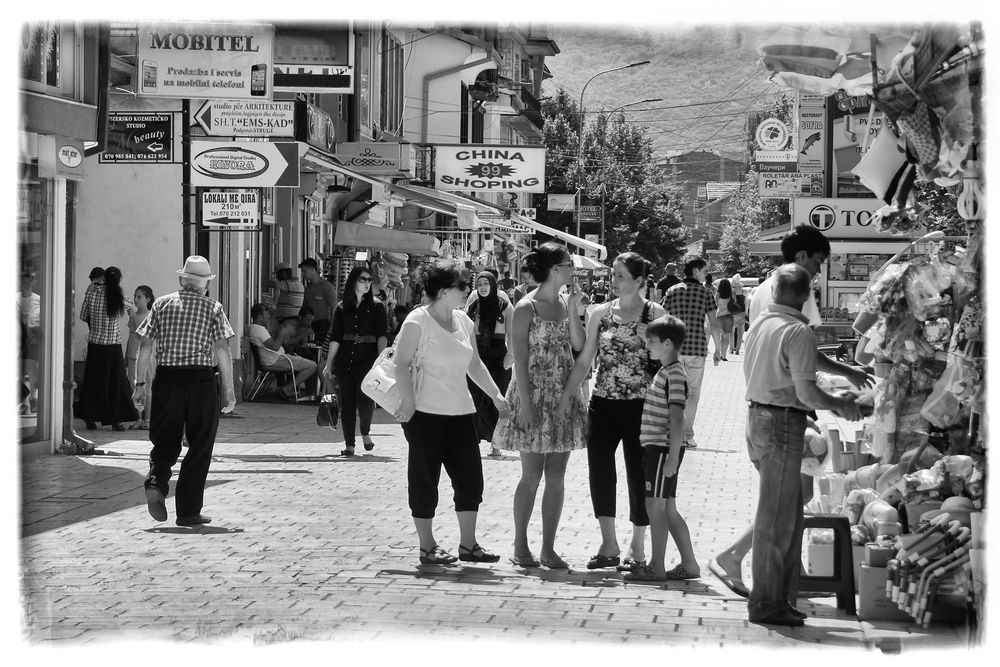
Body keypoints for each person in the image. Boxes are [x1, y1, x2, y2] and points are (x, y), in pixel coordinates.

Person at [710, 225, 875, 598]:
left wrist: (844, 371)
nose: (818, 272)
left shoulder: (769, 295)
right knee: (784, 505)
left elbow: (796, 352)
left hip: (765, 410)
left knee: (785, 503)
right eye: (817, 262)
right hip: (783, 413)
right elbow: (801, 356)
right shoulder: (795, 293)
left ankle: (787, 577)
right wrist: (838, 402)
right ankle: (755, 578)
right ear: (802, 259)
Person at [742, 264, 864, 626]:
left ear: (775, 290)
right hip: (779, 424)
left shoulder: (763, 322)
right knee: (777, 520)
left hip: (759, 419)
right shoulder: (797, 331)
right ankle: (765, 602)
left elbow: (790, 375)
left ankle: (776, 598)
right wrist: (842, 403)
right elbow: (806, 391)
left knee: (781, 515)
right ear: (808, 295)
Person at [394, 262, 510, 565]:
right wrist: (407, 402)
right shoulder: (417, 321)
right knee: (424, 480)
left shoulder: (463, 321)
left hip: (461, 413)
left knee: (470, 479)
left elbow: (474, 364)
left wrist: (496, 395)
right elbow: (401, 363)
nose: (468, 291)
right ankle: (428, 546)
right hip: (424, 415)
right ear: (444, 291)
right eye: (462, 286)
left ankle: (468, 544)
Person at [557, 252, 665, 570]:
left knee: (638, 474)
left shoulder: (654, 312)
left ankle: (637, 547)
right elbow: (584, 357)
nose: (613, 280)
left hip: (641, 406)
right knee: (601, 472)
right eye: (613, 275)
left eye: (620, 275)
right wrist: (566, 396)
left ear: (639, 281)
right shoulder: (600, 313)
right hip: (603, 404)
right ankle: (608, 543)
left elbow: (669, 359)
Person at [493, 243, 587, 568]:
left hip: (562, 396)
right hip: (531, 394)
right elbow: (518, 360)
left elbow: (578, 345)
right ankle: (520, 546)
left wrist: (573, 307)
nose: (573, 269)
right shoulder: (524, 307)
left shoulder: (564, 302)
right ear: (555, 269)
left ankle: (548, 548)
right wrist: (526, 404)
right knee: (531, 475)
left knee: (557, 477)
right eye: (569, 264)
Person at [134, 255, 236, 526]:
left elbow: (145, 347)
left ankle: (156, 479)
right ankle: (188, 511)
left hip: (167, 379)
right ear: (205, 284)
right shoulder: (213, 307)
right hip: (201, 382)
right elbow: (222, 350)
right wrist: (228, 389)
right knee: (200, 444)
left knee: (165, 439)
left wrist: (140, 385)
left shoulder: (161, 304)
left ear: (182, 280)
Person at [625, 315, 699, 582]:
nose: (648, 346)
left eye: (652, 342)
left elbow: (677, 416)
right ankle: (689, 564)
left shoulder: (675, 374)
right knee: (667, 508)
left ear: (668, 344)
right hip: (662, 451)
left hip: (661, 450)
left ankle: (656, 567)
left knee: (653, 506)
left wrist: (672, 456)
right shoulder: (667, 371)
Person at [321, 266, 389, 456]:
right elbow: (336, 337)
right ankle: (349, 444)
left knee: (365, 399)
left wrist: (381, 360)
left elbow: (382, 335)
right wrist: (329, 364)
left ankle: (365, 432)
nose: (367, 283)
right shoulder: (342, 307)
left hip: (368, 359)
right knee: (348, 403)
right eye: (363, 280)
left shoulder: (377, 306)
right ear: (353, 282)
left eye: (369, 280)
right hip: (345, 359)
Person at [661, 256, 723, 449]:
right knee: (693, 393)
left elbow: (663, 317)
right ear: (695, 271)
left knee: (673, 391)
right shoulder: (705, 294)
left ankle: (672, 433)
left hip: (674, 350)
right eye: (704, 270)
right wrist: (718, 349)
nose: (706, 274)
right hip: (697, 349)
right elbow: (713, 323)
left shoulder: (672, 291)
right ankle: (687, 435)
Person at [76, 265, 139, 431]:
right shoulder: (119, 296)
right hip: (113, 345)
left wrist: (89, 291)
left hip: (95, 345)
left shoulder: (91, 294)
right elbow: (132, 308)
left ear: (103, 279)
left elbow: (83, 316)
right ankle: (115, 421)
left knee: (93, 382)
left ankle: (90, 419)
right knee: (116, 383)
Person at [466, 271, 515, 458]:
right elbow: (463, 332)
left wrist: (511, 355)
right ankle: (472, 441)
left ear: (493, 285)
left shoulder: (505, 306)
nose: (483, 287)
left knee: (497, 399)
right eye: (479, 284)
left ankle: (496, 443)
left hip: (498, 360)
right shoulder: (472, 308)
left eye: (486, 283)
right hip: (476, 359)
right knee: (475, 399)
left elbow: (512, 333)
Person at [249, 303, 318, 401]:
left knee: (309, 363)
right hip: (275, 360)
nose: (268, 317)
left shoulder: (256, 328)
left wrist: (280, 336)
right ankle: (287, 389)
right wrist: (282, 333)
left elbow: (271, 343)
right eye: (267, 314)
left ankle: (289, 389)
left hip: (277, 358)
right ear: (260, 316)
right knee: (313, 366)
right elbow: (275, 347)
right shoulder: (258, 329)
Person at [126, 285, 155, 429]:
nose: (136, 300)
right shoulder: (134, 315)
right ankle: (138, 418)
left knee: (147, 387)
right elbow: (132, 334)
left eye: (139, 297)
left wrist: (133, 317)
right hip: (132, 355)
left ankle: (147, 420)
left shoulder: (151, 315)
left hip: (146, 356)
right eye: (135, 296)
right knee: (134, 387)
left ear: (147, 299)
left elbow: (142, 333)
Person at [18, 269, 42, 415]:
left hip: (32, 338)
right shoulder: (15, 298)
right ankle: (23, 401)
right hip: (19, 336)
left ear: (34, 282)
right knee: (19, 369)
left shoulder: (38, 299)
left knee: (32, 370)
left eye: (30, 280)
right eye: (25, 280)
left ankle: (33, 398)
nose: (27, 283)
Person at [299, 258, 338, 344]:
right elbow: (304, 306)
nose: (303, 274)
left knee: (320, 349)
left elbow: (333, 307)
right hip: (308, 325)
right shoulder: (308, 288)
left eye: (304, 271)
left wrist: (332, 327)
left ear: (312, 270)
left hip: (323, 325)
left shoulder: (326, 286)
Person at [714, 278, 735, 362]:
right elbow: (734, 302)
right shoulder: (731, 294)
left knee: (720, 337)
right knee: (726, 337)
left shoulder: (717, 295)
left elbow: (714, 305)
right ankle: (724, 355)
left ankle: (719, 353)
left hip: (719, 317)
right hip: (729, 317)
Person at [730, 274, 747, 355]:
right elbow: (746, 303)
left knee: (731, 332)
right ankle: (737, 350)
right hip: (741, 313)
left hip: (732, 313)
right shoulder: (744, 291)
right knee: (740, 333)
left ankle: (731, 349)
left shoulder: (731, 291)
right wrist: (745, 312)